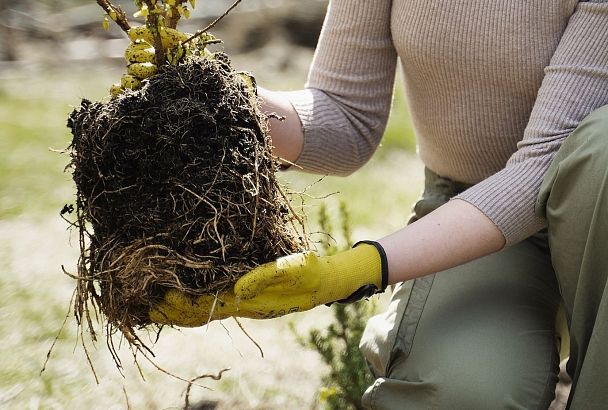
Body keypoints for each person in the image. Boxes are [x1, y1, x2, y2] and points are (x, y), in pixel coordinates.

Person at [151, 1, 608, 408]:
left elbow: (544, 166)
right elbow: (345, 117)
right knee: (464, 392)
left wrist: (356, 268)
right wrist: (224, 105)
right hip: (470, 213)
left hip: (598, 209)